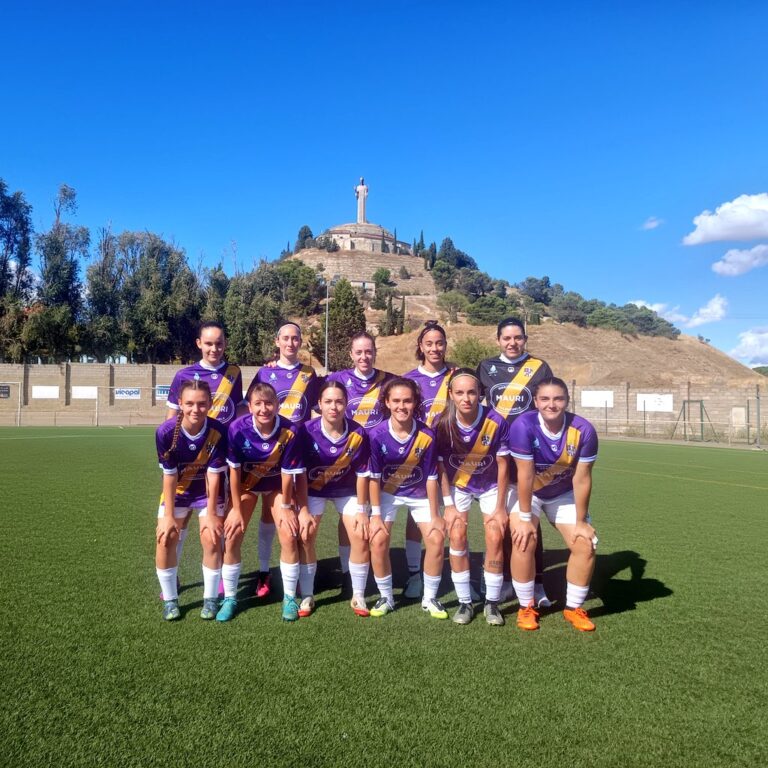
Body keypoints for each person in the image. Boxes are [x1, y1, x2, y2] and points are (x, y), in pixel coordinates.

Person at [508, 377, 599, 631]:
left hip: (562, 494)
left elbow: (582, 478)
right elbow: (525, 475)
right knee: (523, 538)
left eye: (558, 399)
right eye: (545, 399)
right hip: (528, 493)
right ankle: (526, 606)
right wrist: (525, 519)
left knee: (586, 543)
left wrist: (581, 522)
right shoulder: (523, 425)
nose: (551, 404)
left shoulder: (584, 430)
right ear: (536, 401)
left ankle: (573, 608)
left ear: (567, 401)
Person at [476, 316, 554, 607]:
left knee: (529, 517)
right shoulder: (485, 367)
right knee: (505, 519)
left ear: (525, 339)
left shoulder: (539, 367)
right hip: (497, 455)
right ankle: (510, 580)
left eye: (518, 338)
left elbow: (547, 404)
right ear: (498, 340)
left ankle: (538, 583)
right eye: (506, 338)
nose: (512, 343)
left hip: (530, 454)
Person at [163, 322, 244, 593]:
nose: (214, 348)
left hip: (220, 456)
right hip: (188, 459)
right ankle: (172, 575)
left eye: (219, 343)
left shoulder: (234, 373)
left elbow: (239, 410)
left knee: (216, 519)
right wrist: (172, 453)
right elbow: (172, 418)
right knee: (180, 518)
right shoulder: (184, 374)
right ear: (199, 343)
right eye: (208, 343)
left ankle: (218, 575)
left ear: (225, 344)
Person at [245, 322, 322, 600]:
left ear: (300, 342)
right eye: (285, 338)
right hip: (265, 456)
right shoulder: (265, 372)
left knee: (295, 518)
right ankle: (264, 572)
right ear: (277, 341)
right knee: (266, 516)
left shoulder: (310, 374)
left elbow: (318, 409)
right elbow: (249, 407)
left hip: (297, 455)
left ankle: (300, 574)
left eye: (295, 339)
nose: (290, 343)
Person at [435, 369, 519, 626]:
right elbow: (440, 467)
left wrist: (502, 507)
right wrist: (448, 505)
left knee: (495, 534)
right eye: (459, 393)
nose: (466, 398)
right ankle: (464, 602)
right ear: (450, 395)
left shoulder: (496, 421)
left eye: (472, 392)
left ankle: (492, 603)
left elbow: (503, 466)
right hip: (459, 486)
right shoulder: (442, 423)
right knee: (457, 534)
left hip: (491, 485)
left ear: (480, 393)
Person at [219, 381, 304, 622]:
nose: (263, 409)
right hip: (247, 486)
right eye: (258, 404)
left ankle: (289, 597)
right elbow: (233, 473)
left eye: (269, 403)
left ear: (277, 405)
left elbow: (288, 474)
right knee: (232, 533)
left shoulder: (290, 430)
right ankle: (231, 597)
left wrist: (287, 507)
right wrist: (235, 509)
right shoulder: (237, 429)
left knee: (288, 533)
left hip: (277, 486)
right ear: (250, 406)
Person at [291, 380, 372, 617]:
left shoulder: (358, 432)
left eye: (339, 401)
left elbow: (362, 475)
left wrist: (361, 509)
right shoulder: (305, 431)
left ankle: (358, 595)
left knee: (360, 533)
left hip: (347, 491)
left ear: (346, 404)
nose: (334, 407)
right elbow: (301, 474)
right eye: (328, 401)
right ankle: (307, 593)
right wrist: (303, 509)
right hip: (313, 491)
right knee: (305, 534)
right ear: (319, 404)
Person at [367, 377, 446, 618]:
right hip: (387, 493)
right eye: (397, 401)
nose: (402, 406)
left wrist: (435, 515)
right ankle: (386, 597)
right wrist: (376, 516)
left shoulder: (427, 435)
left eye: (408, 401)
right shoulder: (375, 435)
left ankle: (430, 599)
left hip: (419, 493)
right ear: (387, 403)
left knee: (436, 538)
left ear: (416, 403)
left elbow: (432, 478)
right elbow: (374, 478)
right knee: (378, 539)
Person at [155, 379, 228, 621]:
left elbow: (213, 475)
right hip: (178, 492)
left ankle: (210, 599)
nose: (195, 409)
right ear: (180, 403)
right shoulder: (165, 432)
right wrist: (168, 517)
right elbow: (170, 476)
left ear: (210, 404)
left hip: (206, 493)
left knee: (211, 537)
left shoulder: (218, 431)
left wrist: (211, 515)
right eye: (189, 404)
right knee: (165, 539)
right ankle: (170, 599)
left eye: (201, 404)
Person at [327, 332, 395, 592]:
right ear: (351, 354)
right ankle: (348, 571)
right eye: (359, 352)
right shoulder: (337, 379)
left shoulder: (387, 380)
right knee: (351, 514)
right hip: (346, 457)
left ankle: (366, 570)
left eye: (368, 351)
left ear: (375, 352)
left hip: (377, 457)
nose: (364, 357)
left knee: (363, 513)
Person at [402, 321, 453, 599]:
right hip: (420, 458)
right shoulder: (410, 379)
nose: (435, 348)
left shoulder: (457, 376)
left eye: (440, 343)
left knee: (456, 516)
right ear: (420, 347)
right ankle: (413, 574)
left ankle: (459, 572)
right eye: (429, 343)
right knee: (416, 518)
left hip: (455, 457)